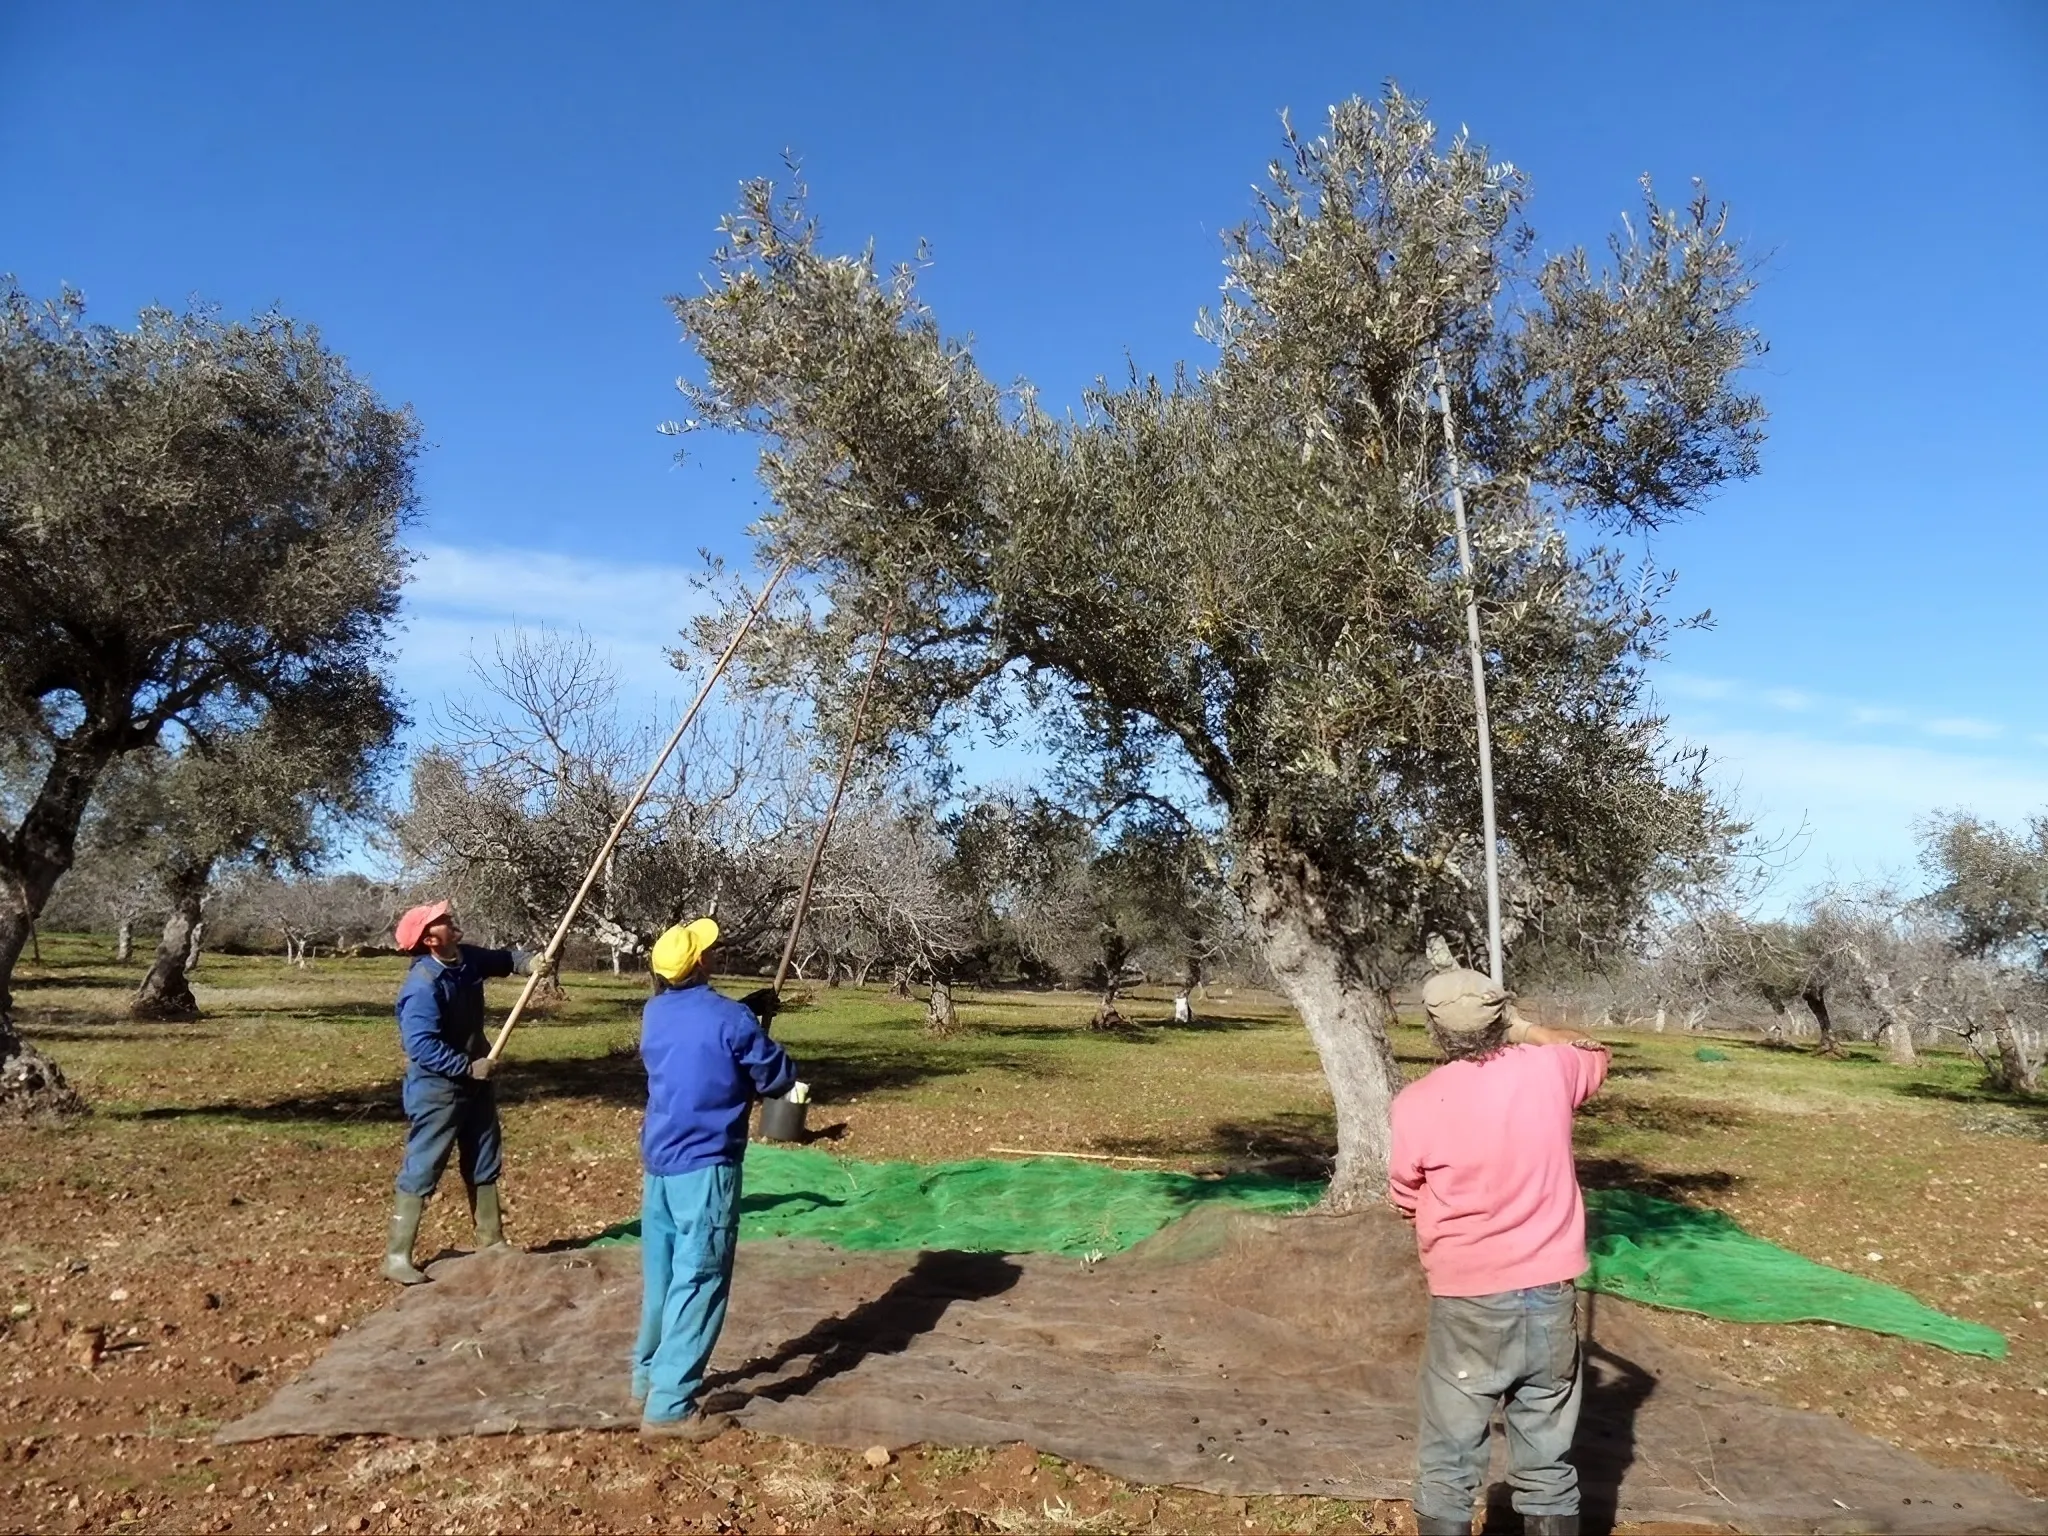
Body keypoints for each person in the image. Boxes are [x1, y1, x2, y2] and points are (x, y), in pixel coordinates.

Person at [1389, 966, 1611, 1536]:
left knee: (1450, 1451)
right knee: (1545, 1451)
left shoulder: (1416, 1102)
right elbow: (1595, 1052)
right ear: (1498, 1016)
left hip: (1466, 1299)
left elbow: (1404, 1195)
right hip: (1549, 1293)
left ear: (1436, 1029)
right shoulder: (1552, 1070)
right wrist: (1525, 1029)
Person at [633, 916, 798, 1440]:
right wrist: (751, 1023)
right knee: (699, 1276)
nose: (714, 953)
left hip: (660, 1162)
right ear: (702, 962)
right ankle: (671, 1406)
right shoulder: (729, 1020)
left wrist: (746, 1014)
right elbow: (777, 1077)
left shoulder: (654, 1013)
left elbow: (700, 1040)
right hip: (706, 1167)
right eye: (708, 950)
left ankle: (646, 1376)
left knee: (663, 1273)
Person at [381, 901, 547, 1285]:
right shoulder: (423, 986)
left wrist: (530, 963)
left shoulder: (466, 959)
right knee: (425, 1165)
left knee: (484, 1157)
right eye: (441, 921)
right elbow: (420, 1046)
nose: (450, 922)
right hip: (438, 1089)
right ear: (429, 939)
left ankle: (491, 1241)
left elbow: (504, 959)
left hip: (477, 1083)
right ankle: (396, 1256)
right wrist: (466, 1067)